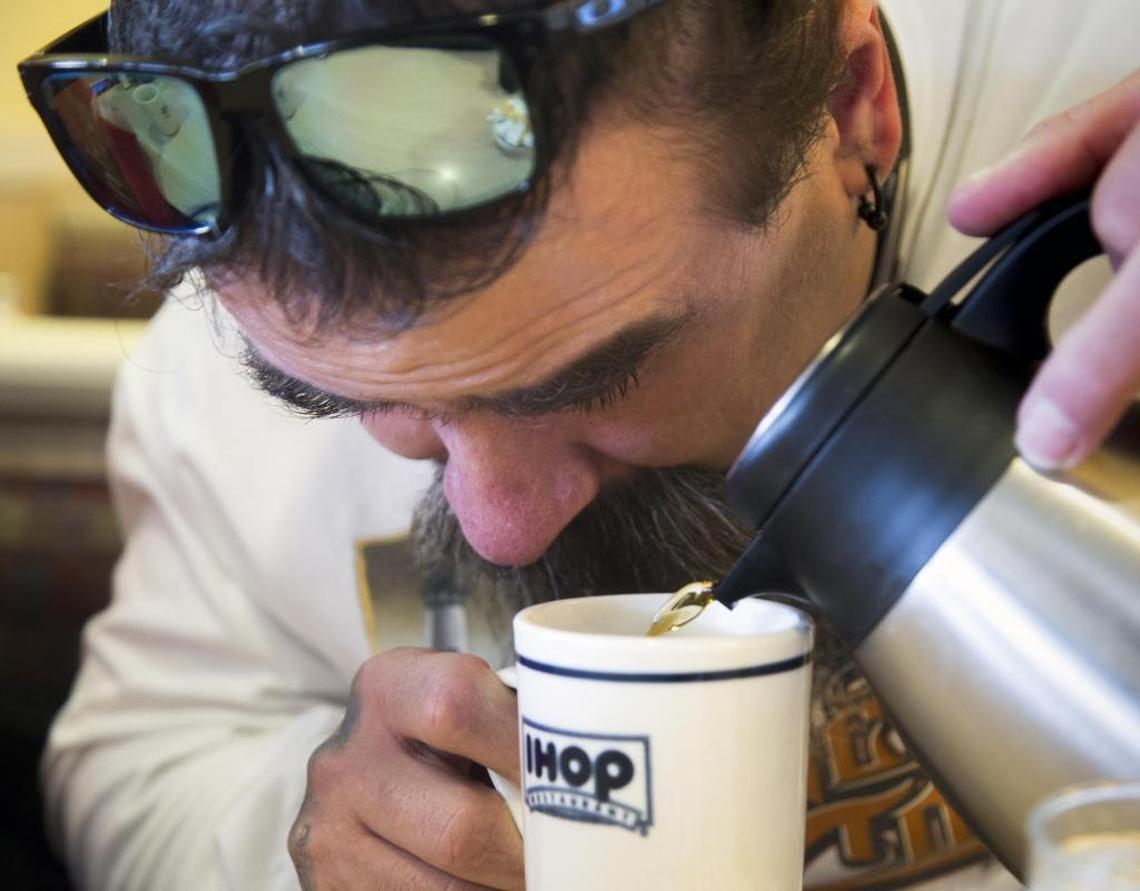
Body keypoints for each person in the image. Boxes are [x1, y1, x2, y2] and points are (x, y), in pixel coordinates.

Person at [25, 0, 1140, 888]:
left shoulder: (1102, 97)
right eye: (365, 401)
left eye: (599, 378)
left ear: (850, 109)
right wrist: (308, 844)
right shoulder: (215, 362)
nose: (495, 530)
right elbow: (154, 746)